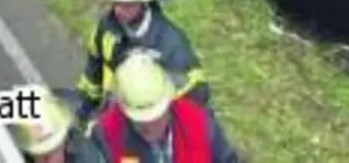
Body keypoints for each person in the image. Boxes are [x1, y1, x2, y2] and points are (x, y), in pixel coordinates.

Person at [76, 0, 209, 120]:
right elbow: (93, 74)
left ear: (143, 2)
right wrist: (85, 110)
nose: (118, 11)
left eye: (126, 5)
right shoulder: (106, 29)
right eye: (116, 3)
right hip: (113, 119)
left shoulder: (171, 45)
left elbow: (194, 100)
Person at [94, 54, 242, 163]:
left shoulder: (200, 124)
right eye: (140, 120)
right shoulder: (107, 136)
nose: (149, 126)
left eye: (155, 117)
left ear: (169, 102)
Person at [11, 86, 108, 162]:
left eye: (50, 154)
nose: (47, 162)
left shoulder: (88, 158)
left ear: (64, 140)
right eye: (39, 156)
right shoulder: (10, 152)